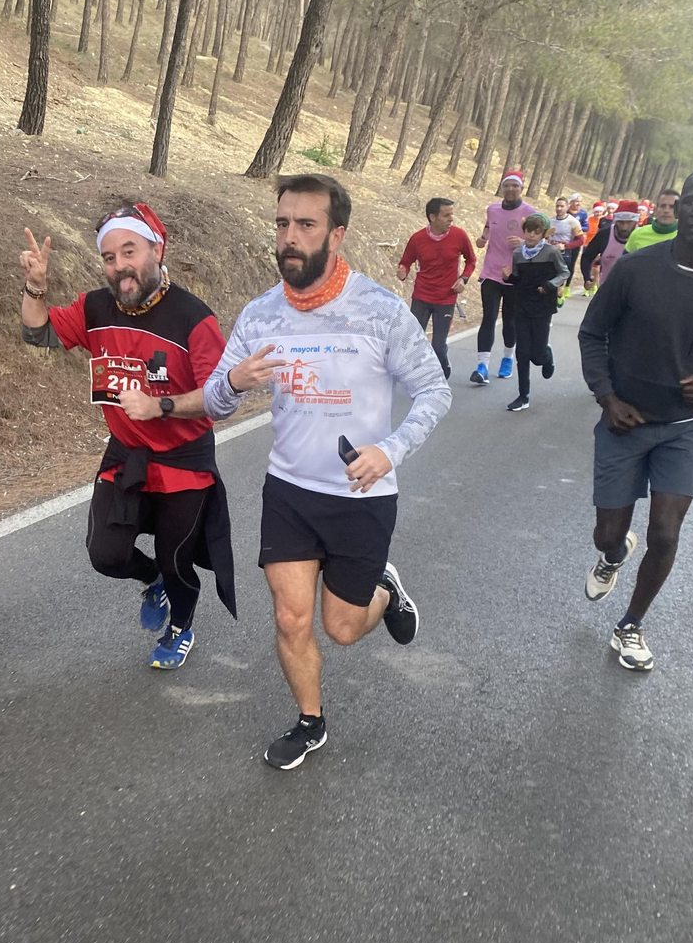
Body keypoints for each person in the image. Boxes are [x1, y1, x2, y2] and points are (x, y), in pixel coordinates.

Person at [202, 174, 450, 770]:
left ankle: (385, 592)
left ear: (336, 234)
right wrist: (233, 383)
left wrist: (389, 451)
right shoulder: (261, 315)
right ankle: (310, 722)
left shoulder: (381, 311)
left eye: (306, 225)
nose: (290, 237)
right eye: (283, 223)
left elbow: (434, 391)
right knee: (290, 616)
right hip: (288, 490)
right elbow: (214, 402)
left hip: (361, 494)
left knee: (340, 627)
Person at [18, 203, 236, 669]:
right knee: (105, 554)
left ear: (156, 250)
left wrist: (162, 405)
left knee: (177, 559)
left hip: (183, 459)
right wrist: (36, 286)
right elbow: (38, 334)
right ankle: (151, 578)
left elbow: (221, 398)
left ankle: (181, 623)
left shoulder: (193, 318)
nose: (120, 266)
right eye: (110, 257)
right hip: (127, 453)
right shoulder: (95, 306)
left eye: (129, 252)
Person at [578, 166, 693, 672]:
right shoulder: (637, 269)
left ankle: (631, 624)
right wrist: (607, 398)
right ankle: (614, 555)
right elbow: (592, 335)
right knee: (606, 534)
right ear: (678, 207)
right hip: (624, 422)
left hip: (684, 428)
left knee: (665, 530)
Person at [397, 196, 477, 379]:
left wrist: (464, 279)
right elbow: (405, 262)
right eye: (446, 215)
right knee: (415, 340)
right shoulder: (417, 239)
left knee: (438, 346)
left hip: (446, 298)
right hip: (422, 296)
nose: (451, 219)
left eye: (452, 215)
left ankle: (442, 365)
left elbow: (471, 260)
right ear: (432, 218)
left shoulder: (459, 236)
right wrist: (403, 270)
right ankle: (419, 375)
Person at [472, 171, 536, 386]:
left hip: (516, 274)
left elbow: (541, 242)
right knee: (488, 318)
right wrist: (482, 239)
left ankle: (508, 358)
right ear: (502, 187)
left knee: (510, 319)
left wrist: (524, 242)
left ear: (521, 188)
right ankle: (482, 366)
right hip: (491, 271)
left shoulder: (530, 212)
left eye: (514, 186)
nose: (510, 189)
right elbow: (488, 228)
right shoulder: (492, 209)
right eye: (506, 185)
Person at [505, 212, 567, 412]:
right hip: (521, 306)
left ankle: (546, 354)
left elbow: (564, 272)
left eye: (536, 232)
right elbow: (518, 279)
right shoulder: (517, 253)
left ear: (543, 234)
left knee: (537, 357)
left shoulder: (551, 252)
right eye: (528, 231)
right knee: (522, 353)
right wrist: (507, 278)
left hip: (543, 307)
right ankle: (523, 396)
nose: (531, 235)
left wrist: (550, 285)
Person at [579, 199, 640, 288]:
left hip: (634, 291)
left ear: (635, 221)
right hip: (607, 290)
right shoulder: (604, 235)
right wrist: (587, 278)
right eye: (621, 222)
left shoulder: (642, 237)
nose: (624, 227)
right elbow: (587, 256)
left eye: (629, 222)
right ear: (615, 221)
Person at [546, 196, 587, 304]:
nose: (559, 208)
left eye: (562, 206)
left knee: (557, 284)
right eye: (557, 206)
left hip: (564, 255)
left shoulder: (572, 222)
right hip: (549, 255)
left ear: (567, 207)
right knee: (549, 283)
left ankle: (559, 295)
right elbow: (545, 237)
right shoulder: (550, 221)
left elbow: (580, 241)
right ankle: (551, 304)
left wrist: (565, 246)